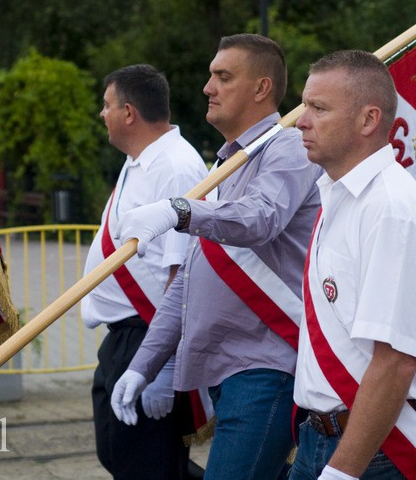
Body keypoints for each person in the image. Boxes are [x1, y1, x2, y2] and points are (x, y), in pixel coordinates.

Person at [109, 33, 322, 478]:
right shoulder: (227, 165)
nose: (208, 88)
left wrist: (179, 209)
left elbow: (260, 218)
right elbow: (189, 279)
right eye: (211, 76)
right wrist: (144, 365)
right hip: (232, 371)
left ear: (261, 89)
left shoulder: (288, 148)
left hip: (268, 367)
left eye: (223, 77)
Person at [290, 49, 416, 480]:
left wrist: (343, 472)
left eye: (318, 108)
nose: (301, 121)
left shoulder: (393, 210)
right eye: (305, 105)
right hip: (327, 437)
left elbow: (395, 361)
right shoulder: (341, 196)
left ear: (368, 120)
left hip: (377, 450)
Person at [80, 64, 208, 480]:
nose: (103, 114)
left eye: (107, 105)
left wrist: (163, 366)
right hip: (124, 336)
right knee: (118, 454)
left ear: (129, 112)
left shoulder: (177, 166)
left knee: (146, 465)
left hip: (148, 335)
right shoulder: (142, 160)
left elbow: (183, 270)